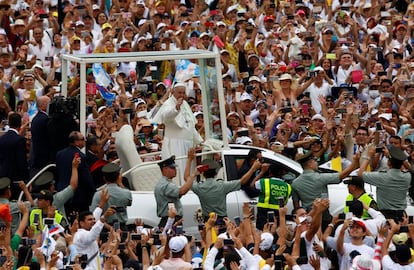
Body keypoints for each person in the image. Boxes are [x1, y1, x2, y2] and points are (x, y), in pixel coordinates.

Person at [152, 82, 203, 185]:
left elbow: (190, 126)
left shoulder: (185, 104)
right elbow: (167, 116)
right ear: (173, 92)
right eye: (179, 92)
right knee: (179, 171)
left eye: (183, 93)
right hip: (175, 145)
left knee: (189, 170)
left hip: (188, 145)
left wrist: (200, 141)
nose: (181, 95)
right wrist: (176, 108)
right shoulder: (169, 103)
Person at [291, 151, 358, 229]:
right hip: (324, 217)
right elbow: (342, 175)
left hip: (308, 218)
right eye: (315, 161)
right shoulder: (320, 178)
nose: (317, 163)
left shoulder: (295, 183)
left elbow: (296, 207)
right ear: (310, 164)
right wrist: (355, 162)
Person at [185, 149, 253, 221]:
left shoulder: (199, 187)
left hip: (208, 221)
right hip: (222, 221)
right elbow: (242, 181)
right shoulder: (222, 186)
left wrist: (190, 161)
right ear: (216, 173)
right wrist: (253, 168)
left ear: (203, 174)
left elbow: (186, 178)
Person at [358, 145, 411, 221]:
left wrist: (368, 156)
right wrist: (391, 157)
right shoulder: (407, 177)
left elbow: (360, 174)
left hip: (386, 216)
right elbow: (409, 168)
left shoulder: (382, 176)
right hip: (402, 215)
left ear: (389, 163)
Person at [74, 189, 115, 270]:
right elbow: (92, 236)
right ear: (81, 223)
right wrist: (104, 217)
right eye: (89, 220)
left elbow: (94, 220)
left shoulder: (87, 229)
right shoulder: (80, 234)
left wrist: (101, 204)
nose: (93, 221)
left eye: (93, 219)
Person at [154, 154, 195, 228]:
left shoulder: (166, 183)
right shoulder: (165, 184)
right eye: (172, 168)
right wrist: (193, 176)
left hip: (170, 219)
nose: (175, 170)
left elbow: (179, 194)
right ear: (165, 169)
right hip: (171, 220)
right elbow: (182, 191)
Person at [90, 163, 132, 228]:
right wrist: (120, 183)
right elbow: (129, 203)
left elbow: (93, 215)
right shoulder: (126, 193)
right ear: (119, 177)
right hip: (122, 227)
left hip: (103, 227)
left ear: (104, 178)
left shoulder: (98, 194)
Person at [252, 164, 292, 230]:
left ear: (270, 172)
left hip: (263, 216)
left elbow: (252, 185)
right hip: (279, 217)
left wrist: (262, 172)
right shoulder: (288, 186)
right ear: (282, 173)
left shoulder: (264, 182)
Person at [0, 112, 29, 199]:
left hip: (2, 177)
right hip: (16, 180)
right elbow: (21, 161)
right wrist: (26, 180)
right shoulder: (19, 140)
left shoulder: (1, 139)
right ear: (20, 124)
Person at [29, 95, 51, 174]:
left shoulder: (38, 118)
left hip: (39, 154)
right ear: (42, 106)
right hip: (43, 156)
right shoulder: (43, 119)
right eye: (49, 103)